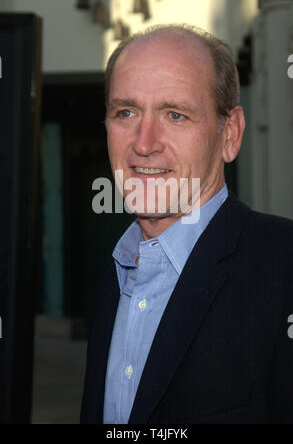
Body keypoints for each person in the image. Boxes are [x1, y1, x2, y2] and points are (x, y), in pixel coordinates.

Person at [80, 24, 293, 424]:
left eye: (175, 115)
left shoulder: (284, 269)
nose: (144, 143)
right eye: (125, 112)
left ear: (229, 134)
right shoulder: (115, 279)